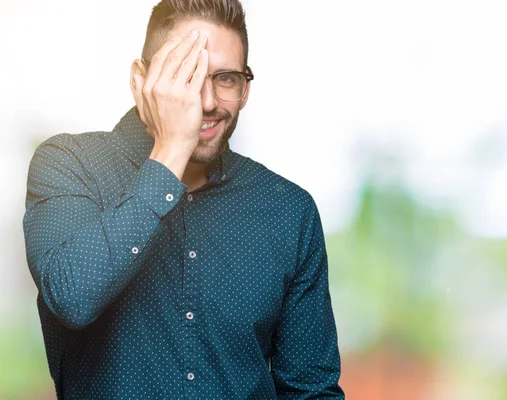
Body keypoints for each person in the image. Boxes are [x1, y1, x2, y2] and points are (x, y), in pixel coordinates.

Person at [22, 0, 344, 398]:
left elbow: (312, 391)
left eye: (225, 78)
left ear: (245, 89)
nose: (206, 102)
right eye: (185, 75)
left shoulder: (289, 210)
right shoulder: (70, 165)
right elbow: (71, 296)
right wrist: (171, 150)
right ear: (140, 79)